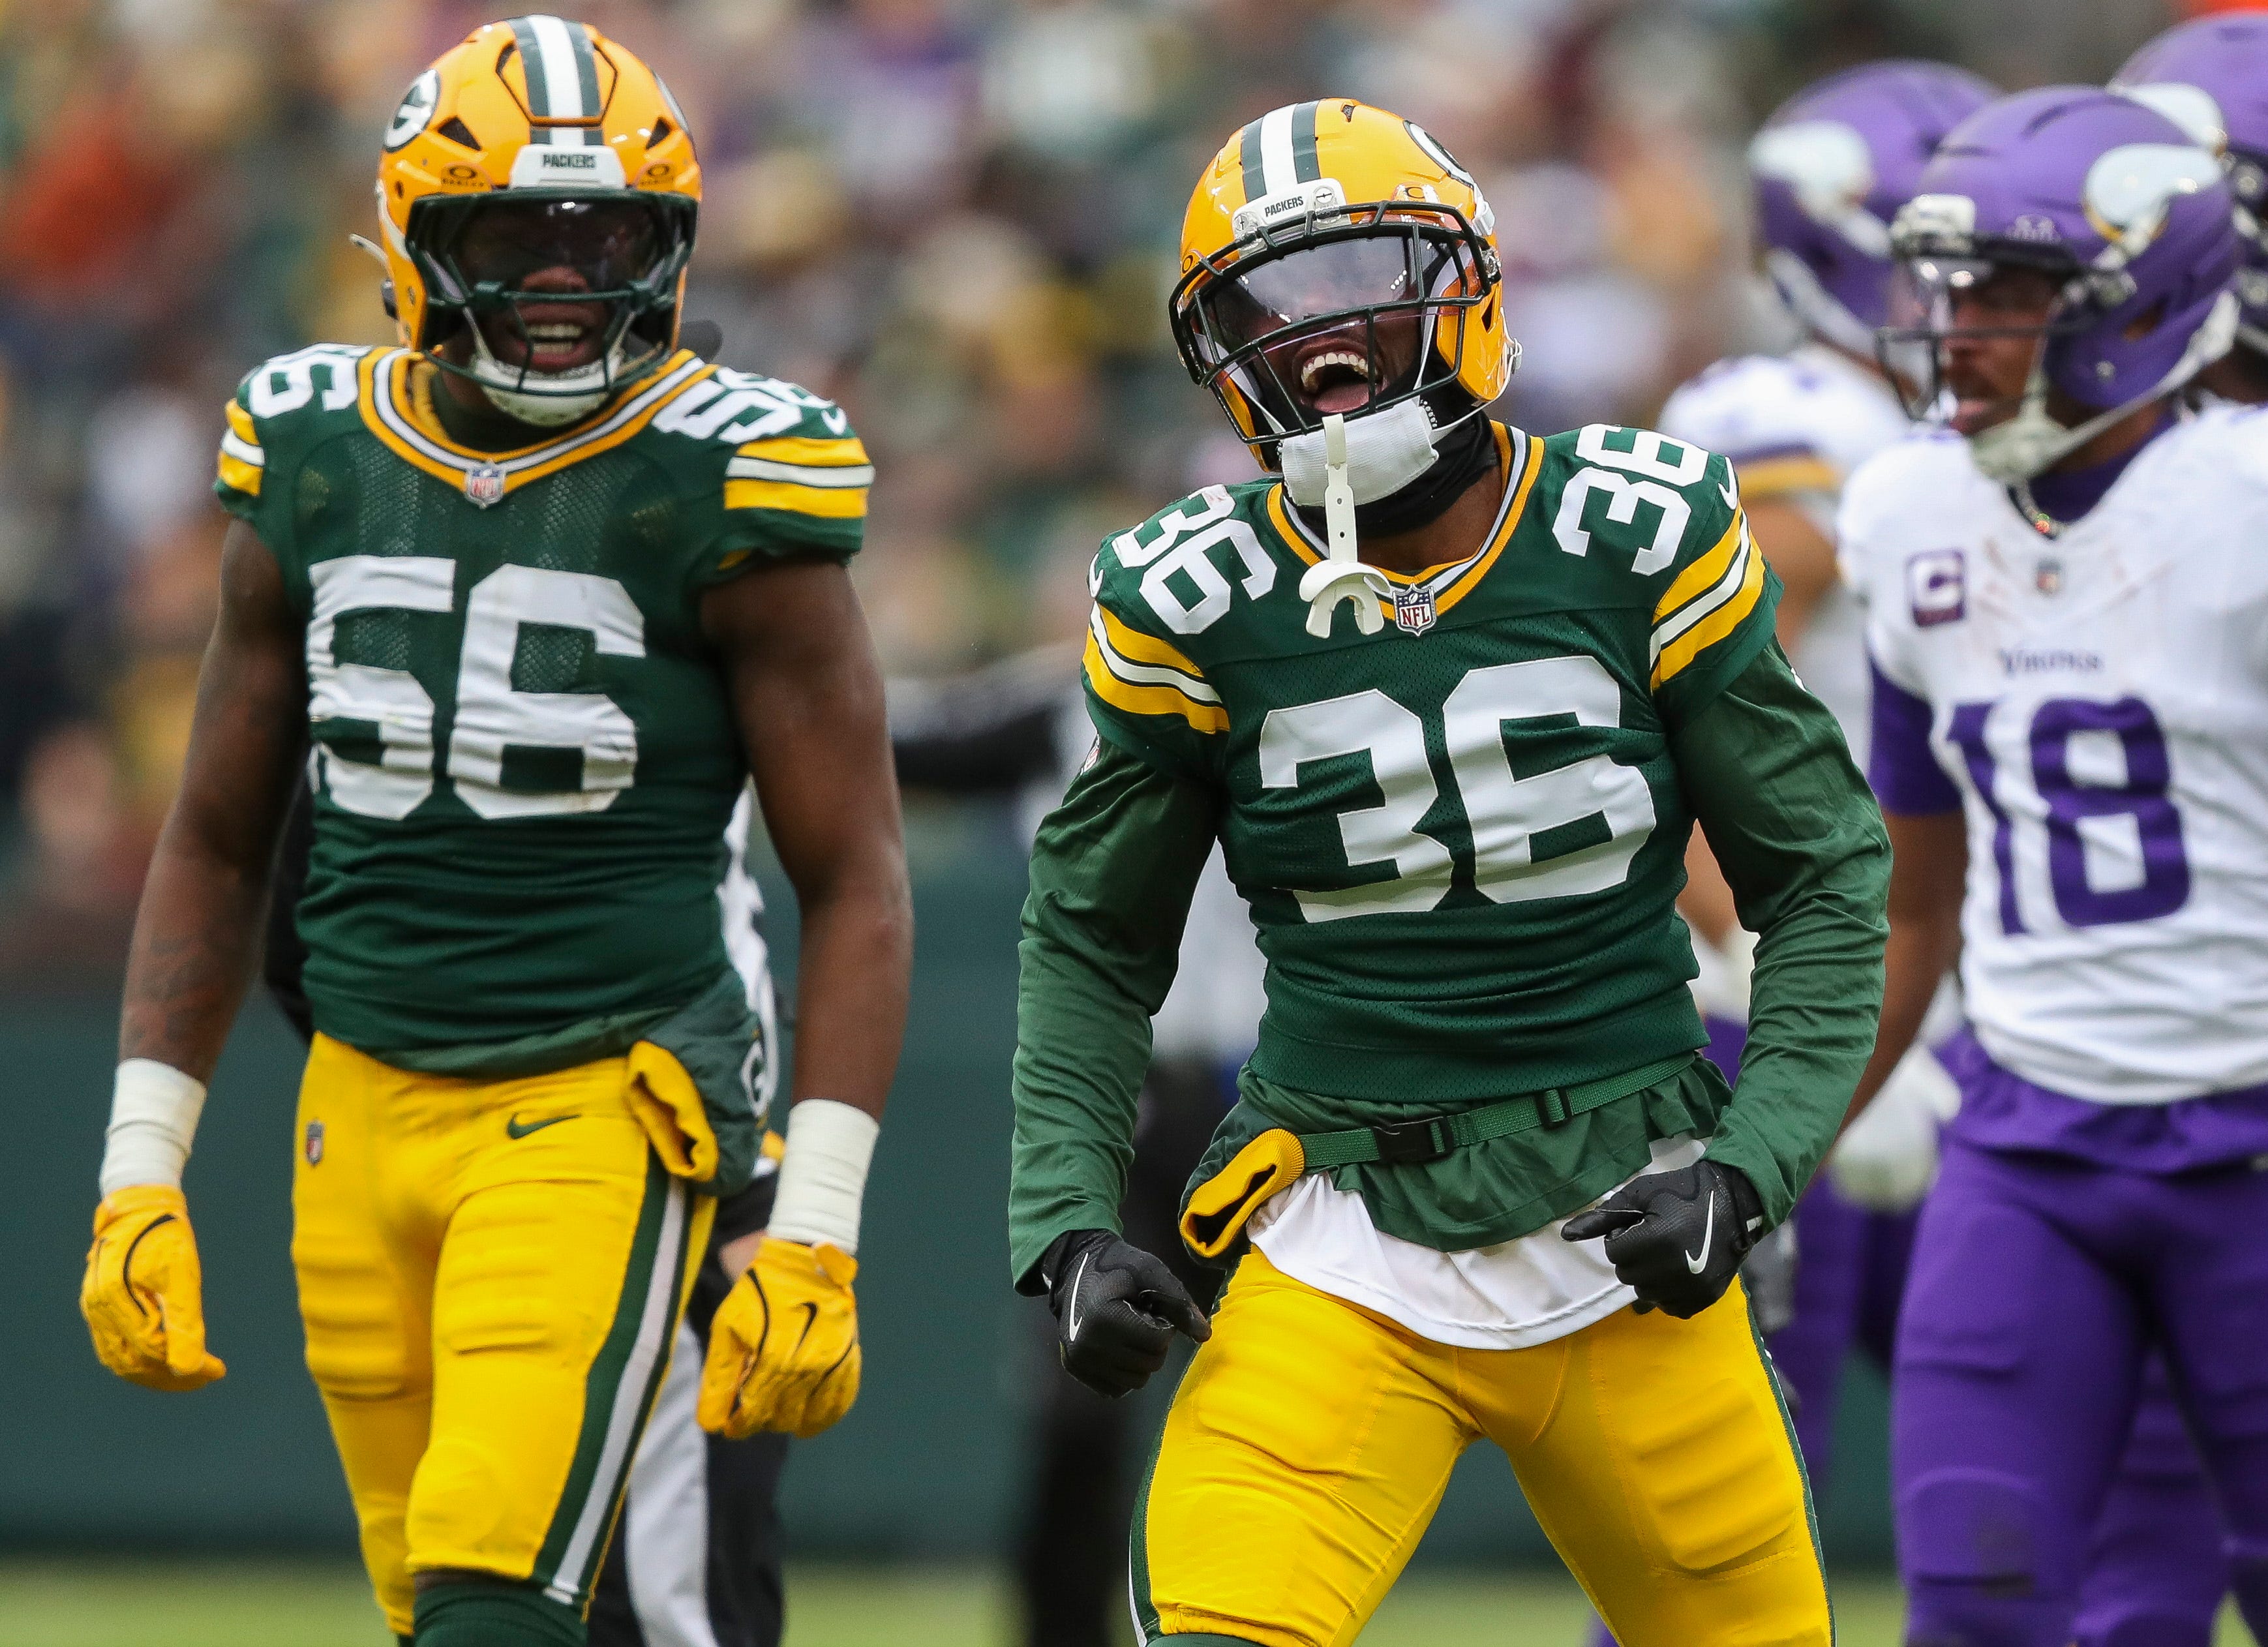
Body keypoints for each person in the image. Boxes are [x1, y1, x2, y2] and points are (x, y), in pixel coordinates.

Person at [76, 19, 912, 1647]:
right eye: (513, 235)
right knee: (433, 1607)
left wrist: (811, 1223)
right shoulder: (312, 445)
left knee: (504, 1597)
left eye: (605, 237)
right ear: (409, 241)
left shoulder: (730, 472)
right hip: (358, 1104)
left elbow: (855, 875)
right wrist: (137, 1169)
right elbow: (217, 834)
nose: (559, 278)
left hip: (604, 1090)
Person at [1010, 99, 1890, 1647]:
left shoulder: (1638, 530)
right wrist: (1067, 1220)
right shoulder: (1191, 596)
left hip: (1623, 1217)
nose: (1322, 344)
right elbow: (1091, 937)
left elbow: (1819, 875)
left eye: (1360, 280)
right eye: (1267, 309)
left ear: (1468, 288)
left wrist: (1751, 1169)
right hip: (1339, 1230)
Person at [1841, 85, 2268, 1647]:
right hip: (2026, 1156)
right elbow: (1910, 903)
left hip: (2255, 1151)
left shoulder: (2244, 505)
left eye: (2011, 294)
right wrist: (1770, 1142)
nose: (1958, 329)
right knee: (1976, 1604)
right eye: (1951, 289)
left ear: (2141, 306)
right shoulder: (1908, 519)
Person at [1654, 56, 1993, 1494]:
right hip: (1791, 1013)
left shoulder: (1962, 446)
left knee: (2042, 1464)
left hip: (1943, 1007)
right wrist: (1754, 963)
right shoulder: (1797, 415)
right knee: (1724, 1487)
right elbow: (1654, 698)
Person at [889, 646, 1260, 1647]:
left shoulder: (1305, 680)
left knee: (1291, 1378)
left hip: (1266, 1094)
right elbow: (900, 737)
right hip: (1126, 1089)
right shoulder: (1075, 701)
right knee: (1082, 1390)